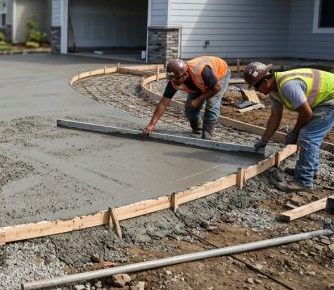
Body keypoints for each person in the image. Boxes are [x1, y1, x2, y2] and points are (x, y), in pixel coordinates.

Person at [245, 62, 334, 191]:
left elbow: (306, 114)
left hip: (330, 100)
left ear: (265, 81)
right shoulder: (273, 91)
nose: (257, 91)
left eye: (256, 87)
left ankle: (303, 181)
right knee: (309, 136)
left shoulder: (288, 86)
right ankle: (310, 171)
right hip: (321, 100)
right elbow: (275, 117)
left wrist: (295, 132)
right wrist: (264, 140)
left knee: (307, 136)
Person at [143, 56, 230, 139]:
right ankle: (198, 130)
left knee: (211, 106)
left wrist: (198, 100)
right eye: (171, 78)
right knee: (189, 108)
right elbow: (164, 102)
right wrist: (152, 124)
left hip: (219, 74)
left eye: (175, 79)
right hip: (199, 83)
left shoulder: (200, 71)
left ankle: (207, 137)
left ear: (185, 74)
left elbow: (216, 88)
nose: (173, 81)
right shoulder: (174, 80)